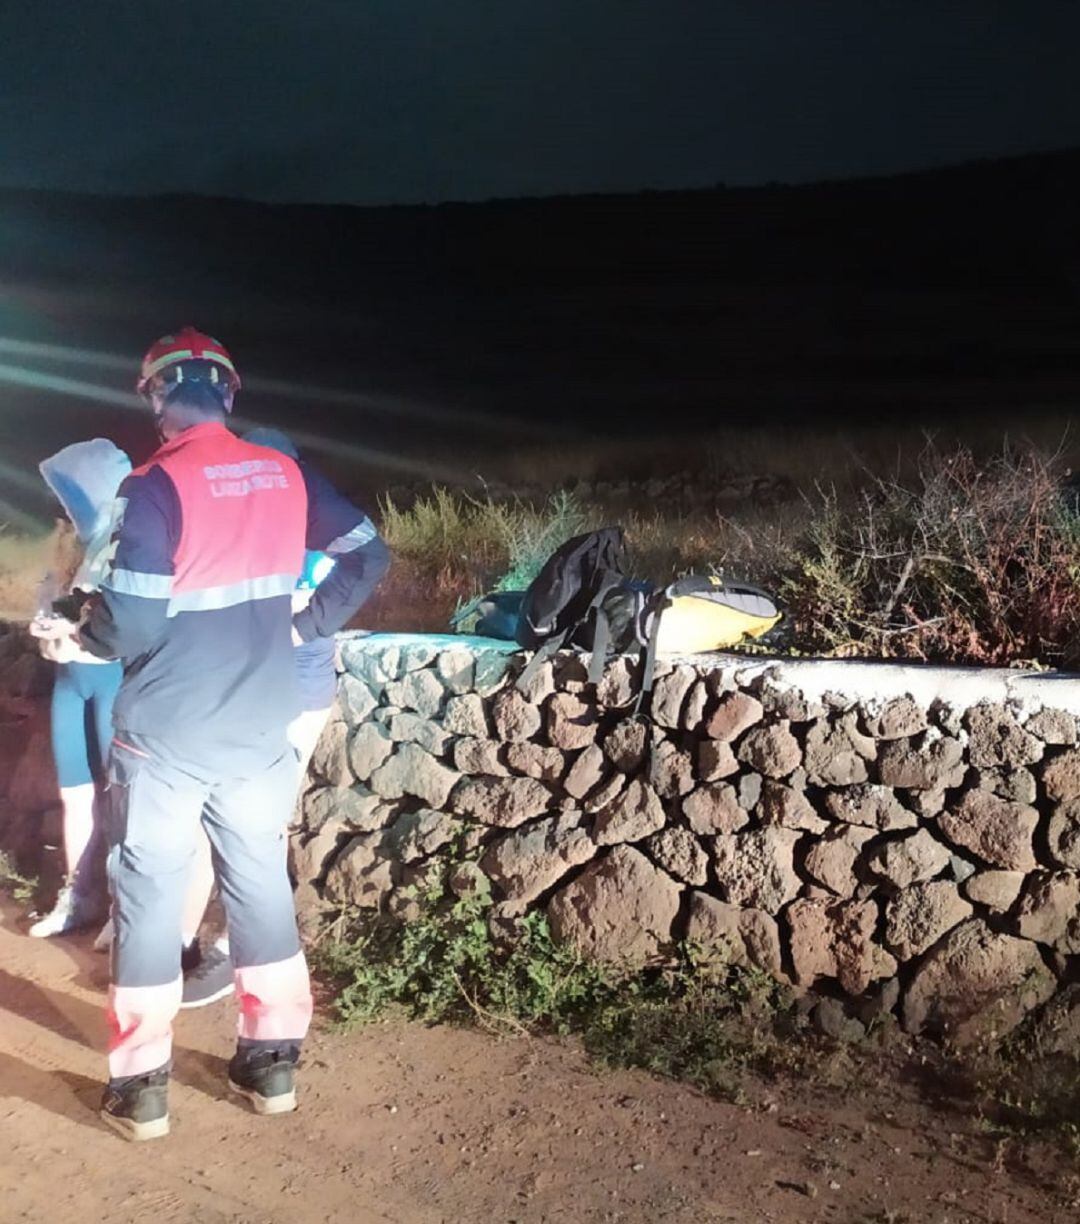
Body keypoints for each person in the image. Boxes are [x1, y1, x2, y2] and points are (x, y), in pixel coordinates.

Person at [46, 327, 389, 1141]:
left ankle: (141, 1089)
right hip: (260, 727)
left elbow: (128, 622)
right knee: (259, 884)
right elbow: (367, 553)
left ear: (158, 397)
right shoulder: (284, 472)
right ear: (230, 393)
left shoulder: (152, 485)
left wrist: (76, 637)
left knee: (151, 894)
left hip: (165, 734)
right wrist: (308, 627)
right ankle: (270, 1064)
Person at [177, 426, 356, 1010]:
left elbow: (347, 578)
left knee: (258, 826)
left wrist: (301, 625)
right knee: (212, 822)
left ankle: (234, 951)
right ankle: (181, 945)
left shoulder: (317, 531)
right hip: (243, 688)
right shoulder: (248, 522)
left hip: (297, 692)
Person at [27, 439, 131, 937]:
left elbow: (119, 624)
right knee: (75, 795)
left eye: (72, 500)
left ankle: (119, 907)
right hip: (70, 683)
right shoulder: (66, 550)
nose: (65, 514)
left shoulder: (121, 544)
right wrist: (48, 631)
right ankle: (79, 895)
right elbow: (47, 610)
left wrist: (68, 637)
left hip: (109, 680)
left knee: (119, 797)